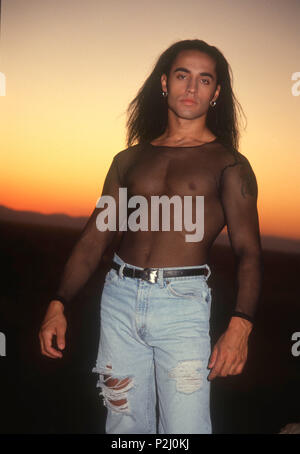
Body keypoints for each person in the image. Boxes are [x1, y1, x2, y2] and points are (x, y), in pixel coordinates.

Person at [39, 39, 263, 434]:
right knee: (123, 427)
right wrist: (59, 302)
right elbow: (95, 238)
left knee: (186, 430)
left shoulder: (229, 164)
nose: (192, 88)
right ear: (164, 83)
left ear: (216, 93)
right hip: (119, 299)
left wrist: (240, 325)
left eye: (204, 79)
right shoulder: (128, 160)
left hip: (183, 306)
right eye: (182, 75)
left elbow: (248, 252)